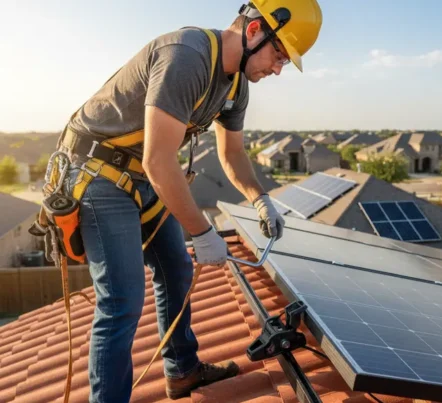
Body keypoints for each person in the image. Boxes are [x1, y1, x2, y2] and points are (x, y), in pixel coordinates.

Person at [55, 1, 322, 401]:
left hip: (139, 175)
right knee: (123, 300)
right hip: (97, 172)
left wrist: (261, 199)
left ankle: (182, 371)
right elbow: (159, 159)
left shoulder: (236, 85)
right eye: (278, 54)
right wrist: (202, 231)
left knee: (176, 269)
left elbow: (232, 156)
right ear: (253, 32)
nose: (278, 69)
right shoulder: (187, 55)